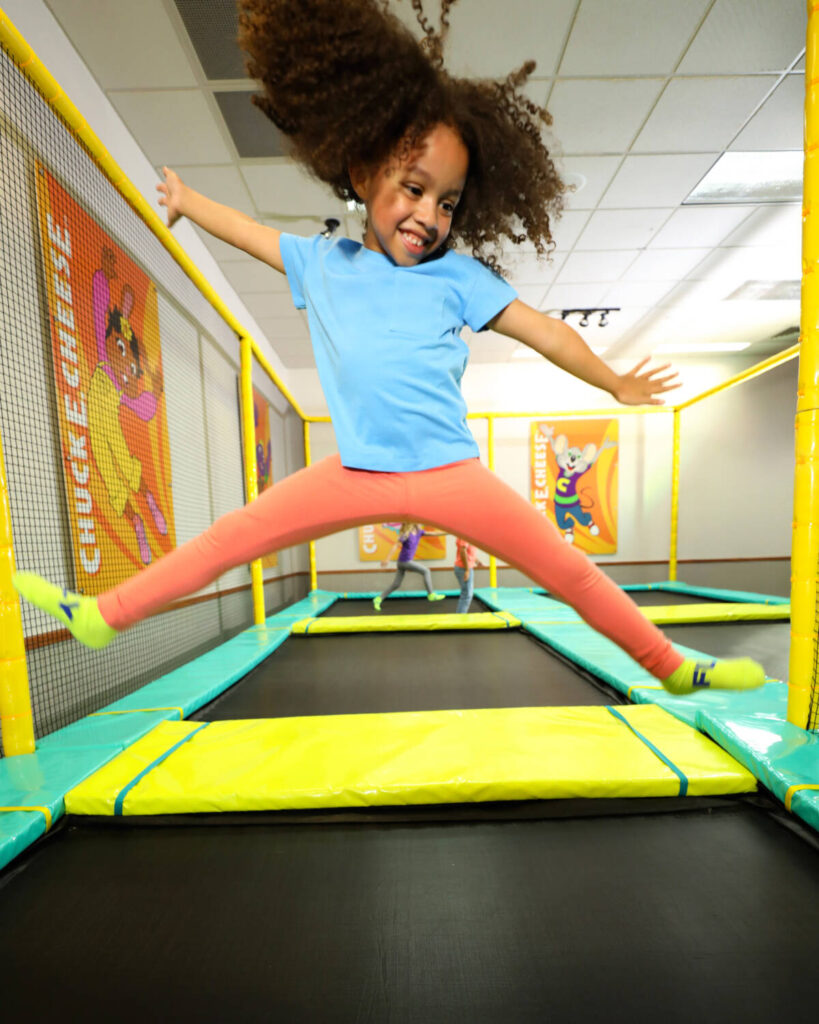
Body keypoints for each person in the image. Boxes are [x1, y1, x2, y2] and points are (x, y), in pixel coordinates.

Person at [13, 0, 765, 698]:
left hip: (451, 472)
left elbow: (547, 331)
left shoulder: (460, 278)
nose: (428, 214)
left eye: (446, 202)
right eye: (412, 188)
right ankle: (101, 615)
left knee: (567, 567)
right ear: (362, 172)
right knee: (230, 537)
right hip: (354, 472)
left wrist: (613, 384)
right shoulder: (322, 262)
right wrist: (186, 203)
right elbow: (248, 231)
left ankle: (670, 667)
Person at [374, 523, 446, 611]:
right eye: (418, 522)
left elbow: (434, 534)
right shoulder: (406, 534)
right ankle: (431, 594)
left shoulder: (419, 532)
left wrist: (448, 532)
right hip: (405, 561)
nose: (420, 524)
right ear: (413, 523)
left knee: (396, 584)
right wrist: (387, 559)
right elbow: (396, 545)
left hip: (402, 562)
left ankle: (378, 599)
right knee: (426, 571)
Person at [453, 537, 483, 614]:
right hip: (464, 568)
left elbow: (469, 552)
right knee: (466, 595)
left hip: (465, 567)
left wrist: (477, 561)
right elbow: (463, 551)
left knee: (466, 594)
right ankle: (460, 619)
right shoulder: (465, 535)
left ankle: (460, 617)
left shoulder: (467, 535)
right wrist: (467, 570)